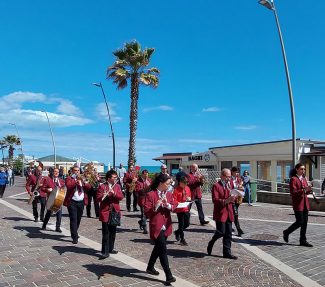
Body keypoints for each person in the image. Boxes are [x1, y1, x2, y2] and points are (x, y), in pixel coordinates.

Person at [144, 173, 177, 284]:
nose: (169, 186)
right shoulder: (150, 195)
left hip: (166, 225)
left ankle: (150, 267)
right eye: (168, 184)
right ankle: (169, 275)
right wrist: (156, 206)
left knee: (158, 248)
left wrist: (167, 205)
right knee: (162, 249)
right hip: (156, 226)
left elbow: (174, 206)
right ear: (161, 183)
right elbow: (147, 212)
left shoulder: (168, 194)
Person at [207, 168, 237, 259]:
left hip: (229, 211)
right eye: (227, 177)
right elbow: (215, 200)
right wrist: (226, 200)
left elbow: (232, 195)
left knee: (228, 234)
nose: (229, 178)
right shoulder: (216, 186)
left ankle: (227, 252)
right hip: (220, 212)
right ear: (222, 176)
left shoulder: (231, 184)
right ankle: (211, 242)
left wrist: (235, 197)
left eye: (230, 176)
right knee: (221, 232)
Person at [283, 163, 313, 247]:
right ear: (297, 169)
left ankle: (303, 240)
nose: (303, 171)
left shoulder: (304, 179)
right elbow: (293, 192)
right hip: (298, 204)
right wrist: (303, 189)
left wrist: (309, 189)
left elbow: (306, 191)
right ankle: (287, 232)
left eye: (304, 169)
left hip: (305, 203)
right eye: (301, 169)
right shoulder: (293, 179)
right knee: (300, 222)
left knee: (305, 223)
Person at [96, 169, 124, 259]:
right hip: (105, 212)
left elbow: (121, 197)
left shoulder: (117, 186)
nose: (116, 178)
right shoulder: (102, 186)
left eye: (116, 177)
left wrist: (114, 194)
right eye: (114, 177)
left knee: (113, 232)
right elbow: (98, 198)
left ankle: (111, 248)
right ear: (108, 178)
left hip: (115, 212)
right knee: (106, 232)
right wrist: (104, 195)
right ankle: (105, 251)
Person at [63, 165, 91, 244]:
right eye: (75, 170)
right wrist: (76, 181)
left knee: (78, 219)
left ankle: (75, 232)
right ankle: (74, 237)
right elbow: (69, 186)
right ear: (72, 171)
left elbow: (88, 187)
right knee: (73, 219)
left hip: (81, 202)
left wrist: (84, 182)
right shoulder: (69, 178)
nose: (77, 172)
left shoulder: (82, 179)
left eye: (78, 170)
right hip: (72, 202)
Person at [41, 168, 65, 232]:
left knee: (59, 213)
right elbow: (43, 188)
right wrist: (47, 190)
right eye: (55, 171)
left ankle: (58, 227)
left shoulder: (61, 181)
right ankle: (44, 225)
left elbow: (64, 189)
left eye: (57, 172)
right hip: (51, 199)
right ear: (53, 172)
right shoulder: (48, 180)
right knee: (48, 213)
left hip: (59, 199)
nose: (56, 173)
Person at [173, 176, 191, 246]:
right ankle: (182, 239)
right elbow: (174, 199)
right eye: (184, 183)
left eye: (186, 183)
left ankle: (177, 232)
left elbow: (189, 196)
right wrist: (179, 203)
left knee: (187, 224)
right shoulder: (176, 190)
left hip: (186, 208)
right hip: (180, 209)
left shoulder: (187, 188)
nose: (186, 184)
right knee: (181, 225)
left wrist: (189, 199)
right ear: (180, 183)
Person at [135, 170, 152, 234]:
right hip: (142, 199)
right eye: (145, 174)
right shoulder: (138, 181)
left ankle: (141, 222)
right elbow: (137, 190)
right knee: (143, 213)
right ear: (142, 174)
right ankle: (145, 228)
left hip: (148, 199)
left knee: (148, 214)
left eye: (147, 174)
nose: (146, 175)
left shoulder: (149, 180)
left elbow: (152, 188)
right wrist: (145, 189)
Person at [230, 166, 244, 236]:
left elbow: (241, 187)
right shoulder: (229, 179)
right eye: (236, 172)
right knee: (235, 214)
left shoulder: (238, 179)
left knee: (233, 214)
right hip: (232, 199)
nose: (237, 174)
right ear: (232, 172)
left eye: (238, 172)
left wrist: (241, 187)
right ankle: (239, 229)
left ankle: (229, 226)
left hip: (237, 199)